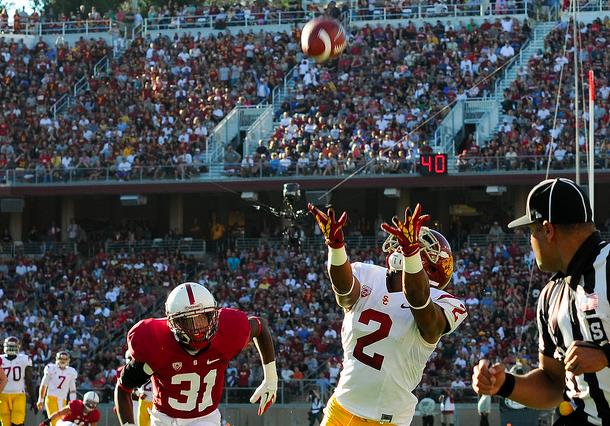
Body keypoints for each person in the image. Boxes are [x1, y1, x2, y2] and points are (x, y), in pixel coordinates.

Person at [308, 203, 467, 426]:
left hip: (387, 420)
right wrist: (336, 247)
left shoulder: (442, 302)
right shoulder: (367, 274)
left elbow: (420, 303)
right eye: (407, 242)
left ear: (431, 267)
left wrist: (410, 254)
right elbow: (344, 294)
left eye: (414, 245)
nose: (402, 245)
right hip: (341, 408)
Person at [472, 177, 610, 426]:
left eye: (531, 231)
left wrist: (606, 356)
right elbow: (554, 384)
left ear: (548, 230)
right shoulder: (550, 295)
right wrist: (504, 384)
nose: (531, 241)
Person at [114, 282, 277, 426]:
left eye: (202, 318)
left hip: (205, 419)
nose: (197, 327)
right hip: (164, 420)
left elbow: (260, 326)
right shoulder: (159, 346)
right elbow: (123, 387)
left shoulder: (225, 335)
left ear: (212, 315)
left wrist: (271, 379)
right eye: (187, 321)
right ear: (174, 323)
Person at [0, 336, 37, 426]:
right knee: (7, 423)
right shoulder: (2, 359)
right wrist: (33, 398)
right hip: (4, 395)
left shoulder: (23, 359)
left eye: (13, 347)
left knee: (16, 421)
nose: (11, 349)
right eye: (10, 346)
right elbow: (29, 381)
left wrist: (33, 397)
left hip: (17, 394)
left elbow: (29, 380)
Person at [37, 352, 78, 426]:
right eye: (60, 359)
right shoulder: (51, 368)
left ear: (68, 360)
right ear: (56, 359)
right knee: (55, 422)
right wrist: (41, 399)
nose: (62, 361)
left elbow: (72, 390)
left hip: (63, 400)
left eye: (64, 359)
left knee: (62, 423)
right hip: (51, 398)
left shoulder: (71, 371)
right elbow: (44, 385)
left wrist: (72, 403)